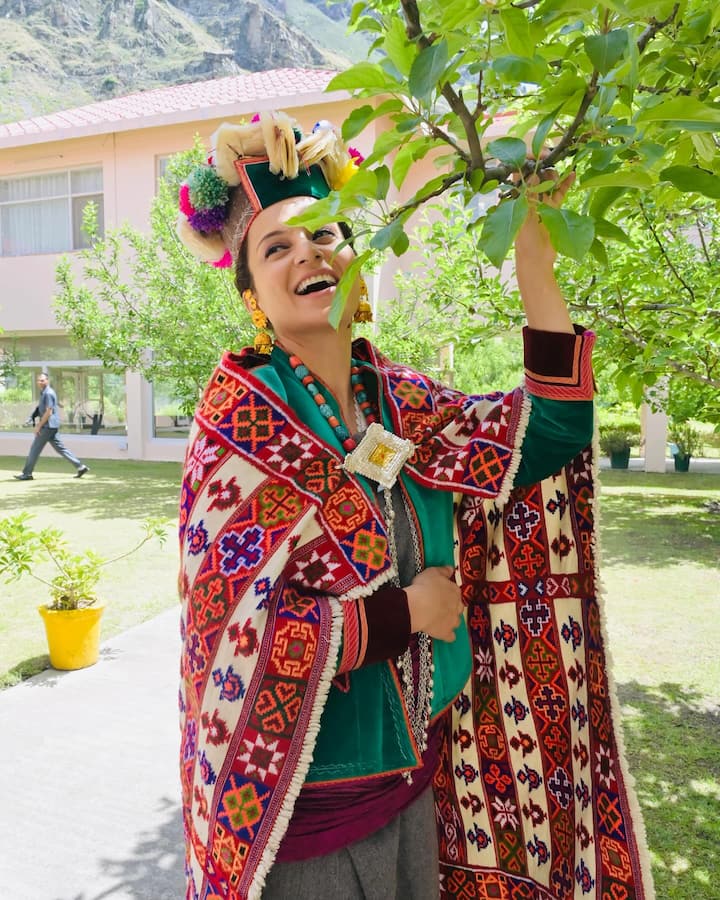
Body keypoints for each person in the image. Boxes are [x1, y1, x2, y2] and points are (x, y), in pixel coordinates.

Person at [176, 112, 653, 900]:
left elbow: (552, 427)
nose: (309, 254)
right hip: (303, 823)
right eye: (278, 247)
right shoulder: (237, 428)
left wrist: (532, 251)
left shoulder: (404, 407)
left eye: (326, 234)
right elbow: (230, 636)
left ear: (357, 261)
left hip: (420, 787)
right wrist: (406, 613)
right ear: (252, 293)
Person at [14, 372, 89, 481]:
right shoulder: (44, 392)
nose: (40, 382)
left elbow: (48, 412)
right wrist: (32, 417)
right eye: (39, 380)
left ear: (47, 381)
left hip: (47, 426)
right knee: (60, 449)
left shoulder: (48, 393)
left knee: (35, 449)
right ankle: (81, 467)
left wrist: (38, 426)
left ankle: (27, 474)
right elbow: (40, 408)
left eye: (42, 380)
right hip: (52, 426)